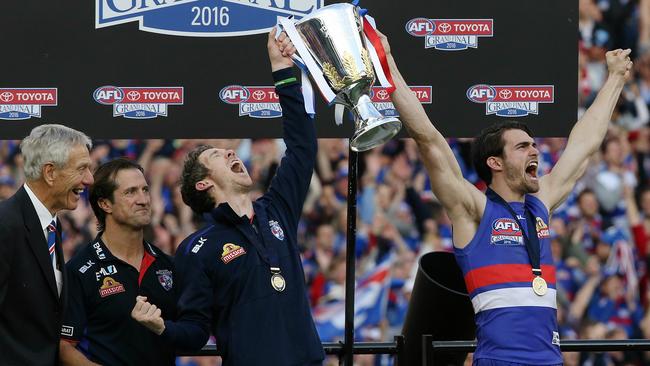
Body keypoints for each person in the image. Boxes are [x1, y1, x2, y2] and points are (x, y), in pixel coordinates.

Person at [380, 30, 633, 365]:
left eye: (533, 144)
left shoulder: (540, 204)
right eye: (523, 146)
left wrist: (615, 77)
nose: (536, 150)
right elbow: (428, 139)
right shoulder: (474, 209)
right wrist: (386, 61)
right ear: (495, 163)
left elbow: (584, 144)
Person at [132, 29, 325, 366]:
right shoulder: (196, 250)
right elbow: (194, 331)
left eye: (230, 151)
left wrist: (282, 72)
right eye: (219, 156)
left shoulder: (277, 209)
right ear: (205, 184)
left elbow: (303, 147)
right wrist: (161, 327)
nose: (232, 154)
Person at [59, 158, 176, 365]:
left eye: (145, 190)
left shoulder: (167, 264)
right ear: (105, 204)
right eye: (130, 192)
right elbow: (64, 346)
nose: (143, 200)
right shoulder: (79, 270)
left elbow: (192, 328)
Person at [0, 124, 93, 365]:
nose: (89, 179)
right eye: (82, 168)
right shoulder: (5, 225)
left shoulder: (51, 225)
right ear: (50, 172)